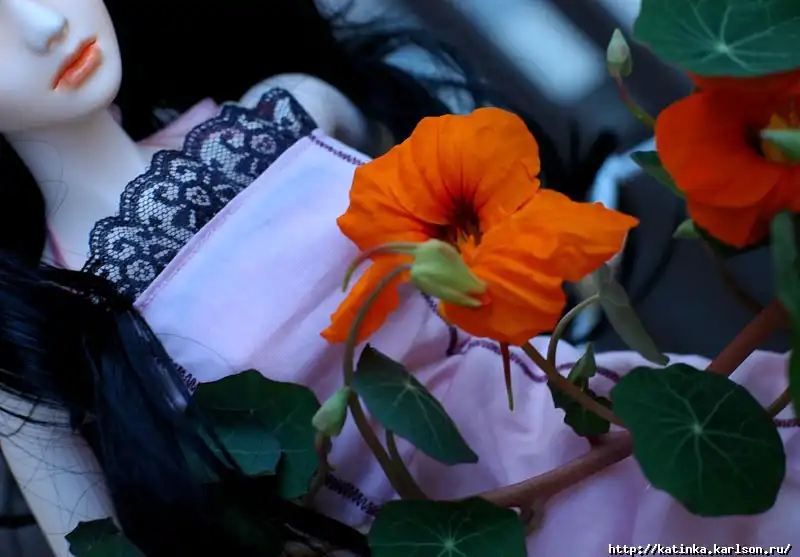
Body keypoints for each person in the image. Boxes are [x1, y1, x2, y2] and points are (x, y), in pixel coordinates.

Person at [2, 2, 795, 557]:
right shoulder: (42, 334)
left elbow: (458, 213)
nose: (44, 25)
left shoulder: (291, 109)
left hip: (592, 433)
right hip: (425, 533)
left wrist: (540, 274)